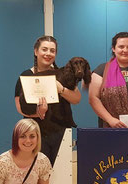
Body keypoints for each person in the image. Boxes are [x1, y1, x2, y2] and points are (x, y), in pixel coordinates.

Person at [14, 35, 81, 165]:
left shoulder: (63, 74)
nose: (48, 54)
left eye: (52, 50)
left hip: (60, 131)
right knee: (38, 174)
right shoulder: (26, 76)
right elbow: (20, 108)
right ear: (36, 51)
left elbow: (76, 99)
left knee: (60, 175)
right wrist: (38, 113)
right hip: (34, 133)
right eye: (44, 49)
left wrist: (61, 89)